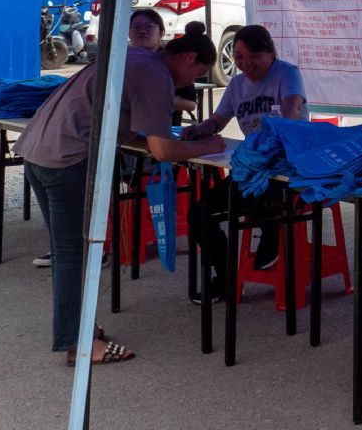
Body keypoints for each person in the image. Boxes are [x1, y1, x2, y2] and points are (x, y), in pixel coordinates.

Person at [15, 32, 225, 365]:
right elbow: (163, 150)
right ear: (188, 58)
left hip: (39, 151)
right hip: (68, 159)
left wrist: (165, 143)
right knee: (74, 255)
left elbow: (135, 133)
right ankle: (78, 343)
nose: (190, 83)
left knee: (68, 252)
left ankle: (82, 327)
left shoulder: (136, 57)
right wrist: (208, 146)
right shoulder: (156, 75)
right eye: (197, 73)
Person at [183, 24, 307, 286]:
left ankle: (270, 225)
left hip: (285, 168)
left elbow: (293, 108)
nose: (246, 63)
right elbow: (218, 120)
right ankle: (226, 277)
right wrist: (199, 129)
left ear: (271, 52)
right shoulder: (237, 84)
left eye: (254, 56)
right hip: (253, 168)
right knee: (199, 214)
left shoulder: (287, 73)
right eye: (239, 57)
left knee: (266, 201)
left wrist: (274, 138)